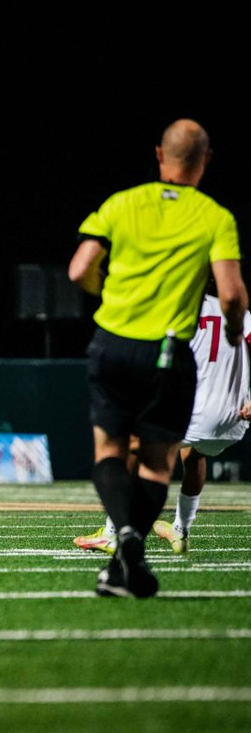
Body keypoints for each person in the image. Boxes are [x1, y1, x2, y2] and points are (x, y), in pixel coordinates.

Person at [68, 118, 248, 598]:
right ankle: (132, 542)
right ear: (205, 161)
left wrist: (104, 294)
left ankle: (122, 542)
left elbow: (80, 268)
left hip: (111, 341)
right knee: (155, 466)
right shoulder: (215, 216)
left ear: (159, 155)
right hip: (168, 349)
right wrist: (233, 331)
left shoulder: (122, 202)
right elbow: (231, 296)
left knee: (109, 454)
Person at [75, 288, 251, 554]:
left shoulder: (179, 306)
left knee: (131, 447)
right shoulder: (242, 314)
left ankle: (113, 532)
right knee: (193, 456)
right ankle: (180, 530)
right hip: (233, 420)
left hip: (196, 411)